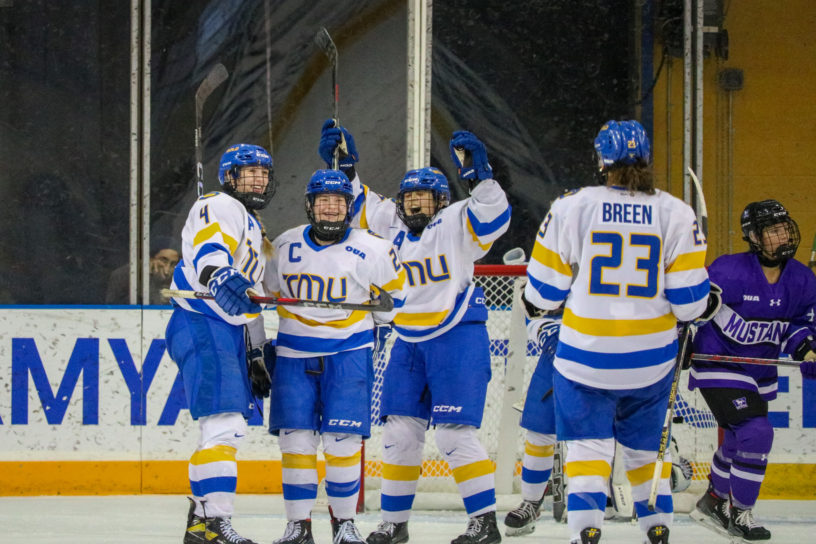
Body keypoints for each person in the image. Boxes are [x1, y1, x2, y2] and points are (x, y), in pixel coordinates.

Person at [319, 121, 511, 544]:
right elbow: (360, 203)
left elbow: (496, 215)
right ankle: (395, 522)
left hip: (457, 334)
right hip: (406, 341)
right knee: (400, 433)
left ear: (441, 200)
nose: (415, 205)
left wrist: (482, 178)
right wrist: (346, 168)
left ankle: (485, 521)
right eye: (409, 198)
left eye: (424, 198)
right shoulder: (393, 224)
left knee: (453, 435)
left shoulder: (459, 221)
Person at [523, 120, 712, 544]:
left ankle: (587, 529)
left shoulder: (573, 205)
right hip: (650, 360)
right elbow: (690, 305)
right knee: (646, 449)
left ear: (601, 160)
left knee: (589, 448)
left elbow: (543, 291)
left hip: (584, 356)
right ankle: (655, 525)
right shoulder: (676, 211)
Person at [263, 169, 406, 544]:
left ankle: (344, 524)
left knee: (342, 442)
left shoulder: (373, 247)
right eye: (323, 201)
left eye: (339, 201)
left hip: (348, 354)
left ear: (349, 206)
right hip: (294, 355)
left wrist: (383, 311)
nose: (330, 208)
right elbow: (268, 289)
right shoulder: (284, 245)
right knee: (296, 443)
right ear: (310, 205)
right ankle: (298, 526)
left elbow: (394, 302)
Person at [165, 143, 276, 544]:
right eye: (248, 172)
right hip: (201, 320)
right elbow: (210, 248)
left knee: (218, 431)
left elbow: (252, 300)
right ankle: (217, 524)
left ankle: (199, 523)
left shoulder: (254, 227)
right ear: (229, 177)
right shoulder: (217, 204)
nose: (257, 179)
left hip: (227, 331)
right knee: (225, 425)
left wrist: (257, 351)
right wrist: (216, 274)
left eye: (263, 173)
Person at [688, 199, 816, 541]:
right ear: (754, 237)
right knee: (757, 432)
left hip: (758, 373)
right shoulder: (727, 270)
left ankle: (714, 499)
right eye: (773, 230)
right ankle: (740, 513)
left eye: (784, 227)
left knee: (736, 438)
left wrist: (807, 349)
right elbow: (691, 306)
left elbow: (799, 325)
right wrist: (680, 337)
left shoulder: (802, 280)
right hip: (718, 362)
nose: (783, 234)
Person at [503, 311, 561, 537]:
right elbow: (533, 302)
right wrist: (548, 332)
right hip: (560, 345)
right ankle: (531, 502)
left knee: (608, 432)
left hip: (611, 344)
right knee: (540, 428)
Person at [105, 236, 180, 304]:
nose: (167, 270)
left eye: (173, 264)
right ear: (150, 258)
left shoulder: (176, 279)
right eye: (163, 260)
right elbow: (112, 307)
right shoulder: (125, 274)